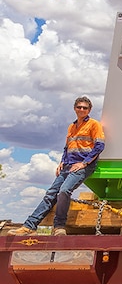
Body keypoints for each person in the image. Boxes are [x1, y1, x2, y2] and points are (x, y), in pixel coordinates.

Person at [9, 97, 105, 236]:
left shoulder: (94, 124)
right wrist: (62, 162)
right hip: (68, 165)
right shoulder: (72, 126)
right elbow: (67, 147)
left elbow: (100, 145)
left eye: (85, 108)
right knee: (50, 194)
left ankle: (59, 226)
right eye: (79, 107)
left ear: (89, 110)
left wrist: (84, 163)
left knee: (64, 191)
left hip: (82, 166)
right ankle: (29, 227)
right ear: (75, 108)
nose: (82, 110)